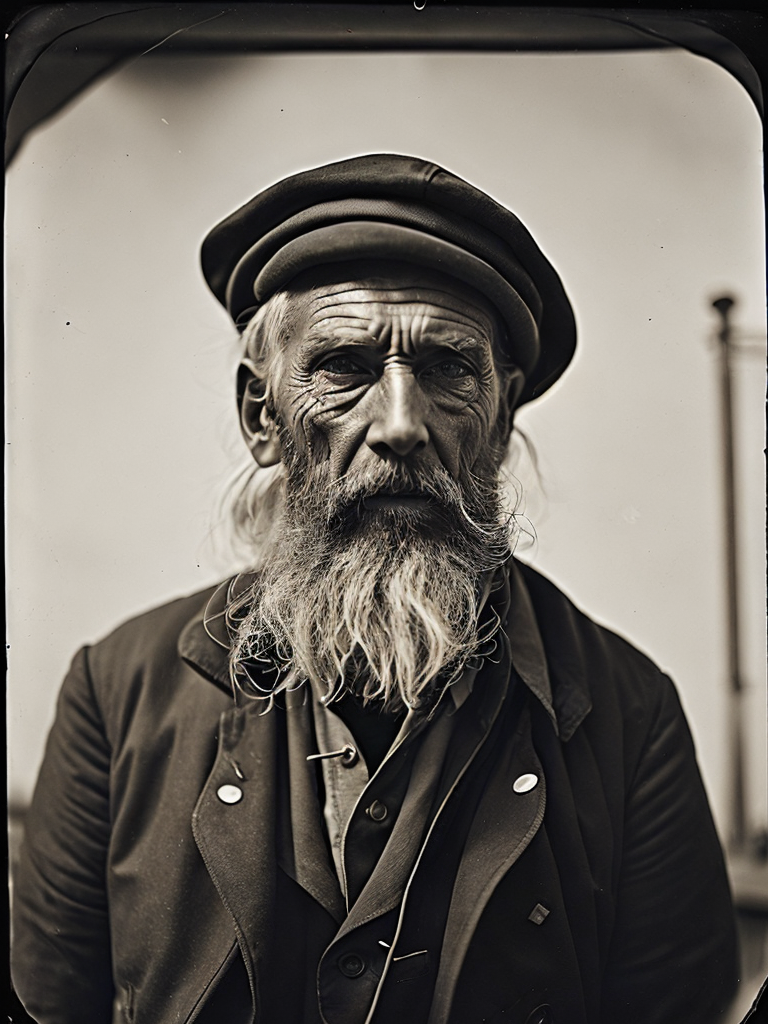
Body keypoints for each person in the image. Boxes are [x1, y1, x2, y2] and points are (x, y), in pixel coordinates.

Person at [11, 154, 739, 1024]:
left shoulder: (630, 716)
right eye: (346, 366)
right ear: (262, 417)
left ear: (502, 416)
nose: (400, 424)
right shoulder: (116, 695)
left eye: (446, 369)